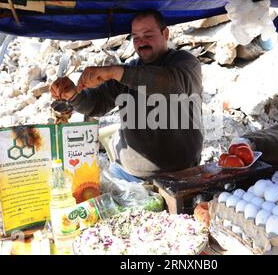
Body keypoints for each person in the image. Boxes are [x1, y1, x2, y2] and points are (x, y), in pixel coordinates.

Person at [50, 10, 203, 182]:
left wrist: (114, 71)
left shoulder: (185, 63)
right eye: (136, 37)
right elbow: (96, 104)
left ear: (165, 33)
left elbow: (173, 85)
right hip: (126, 173)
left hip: (180, 175)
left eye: (148, 35)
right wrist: (73, 94)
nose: (141, 42)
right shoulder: (127, 70)